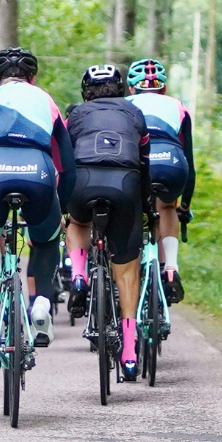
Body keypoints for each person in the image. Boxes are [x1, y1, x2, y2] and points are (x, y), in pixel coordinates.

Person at [0, 47, 75, 379]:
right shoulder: (46, 101)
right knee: (45, 240)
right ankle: (40, 303)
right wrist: (62, 209)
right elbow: (67, 165)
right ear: (32, 78)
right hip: (37, 174)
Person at [64, 64, 151, 380]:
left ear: (85, 92)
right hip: (125, 181)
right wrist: (144, 206)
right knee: (126, 268)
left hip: (83, 179)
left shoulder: (75, 116)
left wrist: (62, 201)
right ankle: (129, 352)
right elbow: (144, 162)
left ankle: (78, 276)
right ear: (123, 89)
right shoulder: (134, 113)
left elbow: (61, 157)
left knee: (76, 222)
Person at [127, 58, 195, 303]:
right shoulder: (178, 106)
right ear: (163, 88)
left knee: (129, 209)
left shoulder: (124, 104)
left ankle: (129, 270)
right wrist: (184, 206)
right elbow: (190, 161)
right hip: (171, 161)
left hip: (136, 160)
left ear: (131, 88)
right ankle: (171, 268)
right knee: (167, 206)